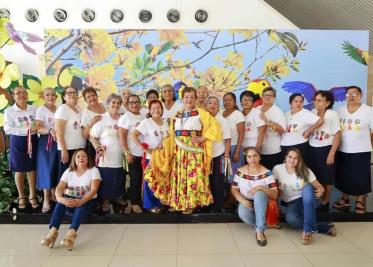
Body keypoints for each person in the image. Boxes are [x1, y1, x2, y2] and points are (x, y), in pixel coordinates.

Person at [144, 87, 222, 214]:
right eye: (186, 97)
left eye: (192, 97)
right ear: (182, 98)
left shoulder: (201, 113)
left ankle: (191, 204)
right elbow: (171, 133)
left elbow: (215, 126)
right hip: (178, 152)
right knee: (178, 177)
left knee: (193, 178)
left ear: (196, 99)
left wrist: (203, 137)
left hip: (194, 152)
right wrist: (163, 145)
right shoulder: (177, 115)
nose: (189, 100)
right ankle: (177, 203)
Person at [273, 148, 337, 245]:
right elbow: (275, 189)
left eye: (295, 158)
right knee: (291, 219)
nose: (292, 160)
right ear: (285, 157)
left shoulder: (305, 171)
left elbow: (320, 187)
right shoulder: (277, 169)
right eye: (290, 157)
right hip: (292, 202)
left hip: (308, 199)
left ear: (299, 160)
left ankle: (307, 231)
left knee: (307, 187)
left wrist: (320, 191)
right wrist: (277, 205)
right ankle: (325, 227)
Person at [40, 149, 101, 250]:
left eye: (83, 156)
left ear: (88, 159)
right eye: (78, 156)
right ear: (74, 160)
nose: (81, 158)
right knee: (60, 204)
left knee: (80, 207)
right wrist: (62, 199)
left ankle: (71, 235)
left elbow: (94, 190)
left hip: (88, 202)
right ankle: (52, 233)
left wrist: (82, 201)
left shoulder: (93, 170)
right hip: (70, 200)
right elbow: (59, 188)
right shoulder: (69, 171)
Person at [333, 86, 373, 214]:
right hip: (343, 149)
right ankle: (345, 198)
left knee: (360, 175)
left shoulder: (368, 111)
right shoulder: (339, 111)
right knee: (344, 174)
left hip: (361, 149)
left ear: (360, 95)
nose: (351, 96)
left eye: (354, 93)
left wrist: (369, 144)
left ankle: (360, 200)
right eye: (348, 94)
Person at [231, 147, 278, 246]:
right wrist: (242, 200)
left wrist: (260, 188)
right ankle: (262, 222)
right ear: (246, 158)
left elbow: (275, 194)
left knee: (259, 194)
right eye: (249, 157)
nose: (252, 159)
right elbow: (234, 188)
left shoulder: (267, 173)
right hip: (247, 201)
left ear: (260, 157)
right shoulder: (240, 172)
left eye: (255, 156)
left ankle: (260, 231)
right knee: (242, 213)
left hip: (263, 202)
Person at [4, 86, 39, 211]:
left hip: (34, 141)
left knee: (32, 169)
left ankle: (33, 196)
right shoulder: (9, 111)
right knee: (19, 170)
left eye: (24, 93)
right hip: (18, 142)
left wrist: (34, 130)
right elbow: (8, 129)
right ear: (13, 96)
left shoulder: (34, 109)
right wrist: (27, 130)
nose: (22, 95)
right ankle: (21, 197)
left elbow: (38, 124)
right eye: (18, 93)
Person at [132, 99, 169, 213]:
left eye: (158, 108)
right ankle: (150, 205)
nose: (156, 110)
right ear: (149, 110)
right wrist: (145, 148)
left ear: (162, 110)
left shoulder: (165, 122)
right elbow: (134, 134)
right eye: (153, 108)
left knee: (161, 180)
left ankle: (160, 201)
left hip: (164, 158)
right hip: (151, 157)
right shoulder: (146, 122)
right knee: (150, 181)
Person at [90, 94, 125, 214]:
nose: (116, 105)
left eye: (118, 103)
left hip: (119, 155)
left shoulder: (122, 118)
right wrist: (98, 148)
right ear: (108, 104)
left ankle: (115, 197)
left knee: (118, 176)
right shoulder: (102, 118)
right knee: (106, 177)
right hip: (106, 156)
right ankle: (104, 201)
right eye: (113, 102)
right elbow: (92, 137)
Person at [309, 91, 340, 212]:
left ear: (327, 103)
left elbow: (337, 134)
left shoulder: (332, 114)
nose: (316, 102)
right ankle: (314, 199)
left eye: (320, 100)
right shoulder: (312, 113)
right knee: (314, 175)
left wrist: (332, 153)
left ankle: (325, 201)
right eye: (315, 100)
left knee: (327, 177)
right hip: (312, 148)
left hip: (326, 148)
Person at [118, 94, 146, 214]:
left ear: (140, 103)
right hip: (133, 154)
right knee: (135, 179)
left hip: (144, 154)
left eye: (136, 102)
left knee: (143, 179)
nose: (134, 105)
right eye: (131, 103)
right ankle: (134, 203)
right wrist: (127, 152)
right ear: (128, 105)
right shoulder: (125, 117)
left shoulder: (144, 116)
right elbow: (122, 136)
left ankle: (142, 201)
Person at [280, 93, 324, 166]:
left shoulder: (305, 113)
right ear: (290, 103)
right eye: (296, 101)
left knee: (300, 170)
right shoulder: (286, 114)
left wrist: (309, 131)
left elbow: (321, 120)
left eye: (301, 101)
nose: (298, 103)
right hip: (285, 146)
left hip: (299, 146)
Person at [206, 95, 231, 213]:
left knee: (217, 182)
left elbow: (228, 139)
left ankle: (217, 206)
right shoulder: (203, 119)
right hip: (206, 156)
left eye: (215, 103)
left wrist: (226, 155)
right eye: (210, 103)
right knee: (207, 181)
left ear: (219, 107)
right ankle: (207, 204)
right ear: (206, 106)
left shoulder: (222, 121)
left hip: (218, 156)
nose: (212, 105)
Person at [55, 86, 86, 181]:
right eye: (69, 93)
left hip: (79, 149)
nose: (72, 94)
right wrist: (64, 150)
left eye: (74, 92)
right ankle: (62, 196)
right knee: (66, 178)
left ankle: (76, 196)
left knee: (77, 177)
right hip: (67, 149)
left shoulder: (79, 109)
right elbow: (59, 132)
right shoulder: (62, 109)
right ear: (64, 97)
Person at [35, 88, 58, 213]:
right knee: (47, 170)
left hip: (58, 142)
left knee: (56, 169)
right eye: (47, 95)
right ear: (43, 96)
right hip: (46, 143)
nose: (50, 97)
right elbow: (38, 128)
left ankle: (54, 196)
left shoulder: (59, 108)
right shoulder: (41, 109)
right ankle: (46, 199)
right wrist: (49, 131)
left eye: (53, 95)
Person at [222, 92, 245, 209]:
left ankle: (232, 201)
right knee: (226, 177)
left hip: (235, 147)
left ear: (234, 102)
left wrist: (236, 151)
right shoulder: (221, 113)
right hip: (224, 148)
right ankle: (227, 198)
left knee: (234, 177)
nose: (227, 102)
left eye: (230, 100)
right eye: (225, 100)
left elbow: (241, 134)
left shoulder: (238, 115)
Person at [257, 87, 286, 170]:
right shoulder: (257, 109)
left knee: (273, 177)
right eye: (265, 95)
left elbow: (281, 130)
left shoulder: (277, 111)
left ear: (274, 98)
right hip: (258, 151)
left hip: (273, 151)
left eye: (270, 95)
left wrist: (267, 122)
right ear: (262, 97)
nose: (267, 97)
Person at [80, 87, 106, 160]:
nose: (92, 98)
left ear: (97, 96)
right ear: (85, 100)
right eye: (88, 97)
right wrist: (91, 123)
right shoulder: (86, 113)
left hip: (110, 142)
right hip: (95, 146)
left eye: (93, 95)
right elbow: (85, 135)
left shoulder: (105, 105)